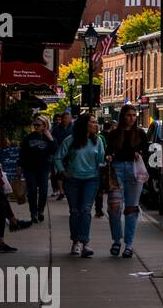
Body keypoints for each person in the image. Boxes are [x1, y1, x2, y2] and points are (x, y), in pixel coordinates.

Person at [55, 113, 110, 257]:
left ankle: (85, 243)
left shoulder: (97, 140)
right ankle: (75, 242)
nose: (95, 124)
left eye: (96, 122)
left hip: (91, 180)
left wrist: (106, 160)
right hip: (73, 180)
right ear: (85, 124)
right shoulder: (71, 140)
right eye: (93, 122)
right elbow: (58, 157)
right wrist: (63, 171)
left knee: (85, 210)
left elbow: (100, 160)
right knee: (75, 211)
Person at [104, 104, 148, 258]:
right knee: (114, 207)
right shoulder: (114, 134)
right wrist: (108, 156)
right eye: (129, 115)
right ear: (123, 116)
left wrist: (140, 154)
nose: (132, 118)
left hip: (134, 171)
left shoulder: (141, 134)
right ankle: (116, 240)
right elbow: (108, 150)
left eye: (134, 115)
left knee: (131, 209)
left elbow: (147, 152)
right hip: (117, 170)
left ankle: (128, 245)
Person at [19, 116, 56, 224]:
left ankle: (41, 211)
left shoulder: (49, 138)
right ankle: (33, 213)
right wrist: (20, 167)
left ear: (45, 125)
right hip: (30, 168)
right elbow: (23, 153)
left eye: (38, 125)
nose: (35, 127)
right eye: (34, 124)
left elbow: (54, 150)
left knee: (44, 191)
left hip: (44, 168)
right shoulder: (29, 137)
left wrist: (51, 139)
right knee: (32, 191)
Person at [51, 111, 72, 200]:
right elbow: (52, 140)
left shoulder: (74, 128)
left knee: (69, 172)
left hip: (71, 154)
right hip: (59, 153)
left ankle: (67, 190)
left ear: (70, 119)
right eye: (63, 118)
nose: (64, 120)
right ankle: (61, 191)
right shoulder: (56, 129)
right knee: (59, 172)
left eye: (66, 118)